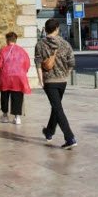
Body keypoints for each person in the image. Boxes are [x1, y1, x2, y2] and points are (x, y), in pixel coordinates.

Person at [34, 18, 77, 149]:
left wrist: (41, 80)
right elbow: (72, 63)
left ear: (46, 29)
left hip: (49, 81)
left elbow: (38, 65)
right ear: (57, 29)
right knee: (56, 106)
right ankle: (49, 132)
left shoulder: (40, 44)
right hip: (62, 81)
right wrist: (66, 74)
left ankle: (70, 138)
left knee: (57, 108)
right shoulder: (65, 44)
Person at [0, 31, 31, 124]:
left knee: (4, 96)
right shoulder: (22, 51)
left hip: (5, 76)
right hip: (19, 77)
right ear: (15, 40)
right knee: (18, 96)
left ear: (7, 40)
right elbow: (27, 64)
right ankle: (17, 117)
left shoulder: (3, 50)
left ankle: (5, 116)